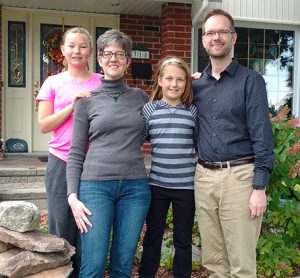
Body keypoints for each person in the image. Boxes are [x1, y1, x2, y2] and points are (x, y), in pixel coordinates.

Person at [192, 9, 274, 278]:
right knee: (214, 263)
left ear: (233, 37)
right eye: (210, 32)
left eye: (222, 31)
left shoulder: (251, 82)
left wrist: (259, 187)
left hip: (240, 178)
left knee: (241, 265)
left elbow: (262, 135)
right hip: (203, 178)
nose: (216, 37)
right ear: (203, 39)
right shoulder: (196, 85)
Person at [66, 29, 151, 278]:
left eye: (120, 54)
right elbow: (76, 152)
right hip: (95, 188)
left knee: (123, 266)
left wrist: (194, 81)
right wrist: (73, 196)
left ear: (128, 61)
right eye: (107, 53)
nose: (113, 58)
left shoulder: (141, 98)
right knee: (93, 265)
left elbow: (168, 112)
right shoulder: (86, 100)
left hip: (135, 188)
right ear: (100, 59)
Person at [36, 27, 101, 277]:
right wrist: (73, 106)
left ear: (90, 51)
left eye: (83, 46)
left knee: (89, 226)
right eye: (72, 46)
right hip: (61, 163)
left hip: (93, 164)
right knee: (61, 227)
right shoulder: (53, 82)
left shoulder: (101, 82)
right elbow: (44, 125)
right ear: (62, 50)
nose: (77, 51)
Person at [138, 56, 198, 278]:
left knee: (183, 239)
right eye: (169, 78)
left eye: (180, 80)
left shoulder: (192, 112)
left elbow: (198, 144)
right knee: (153, 235)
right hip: (157, 185)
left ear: (186, 83)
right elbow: (136, 142)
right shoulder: (148, 110)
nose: (174, 84)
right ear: (160, 80)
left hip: (186, 187)